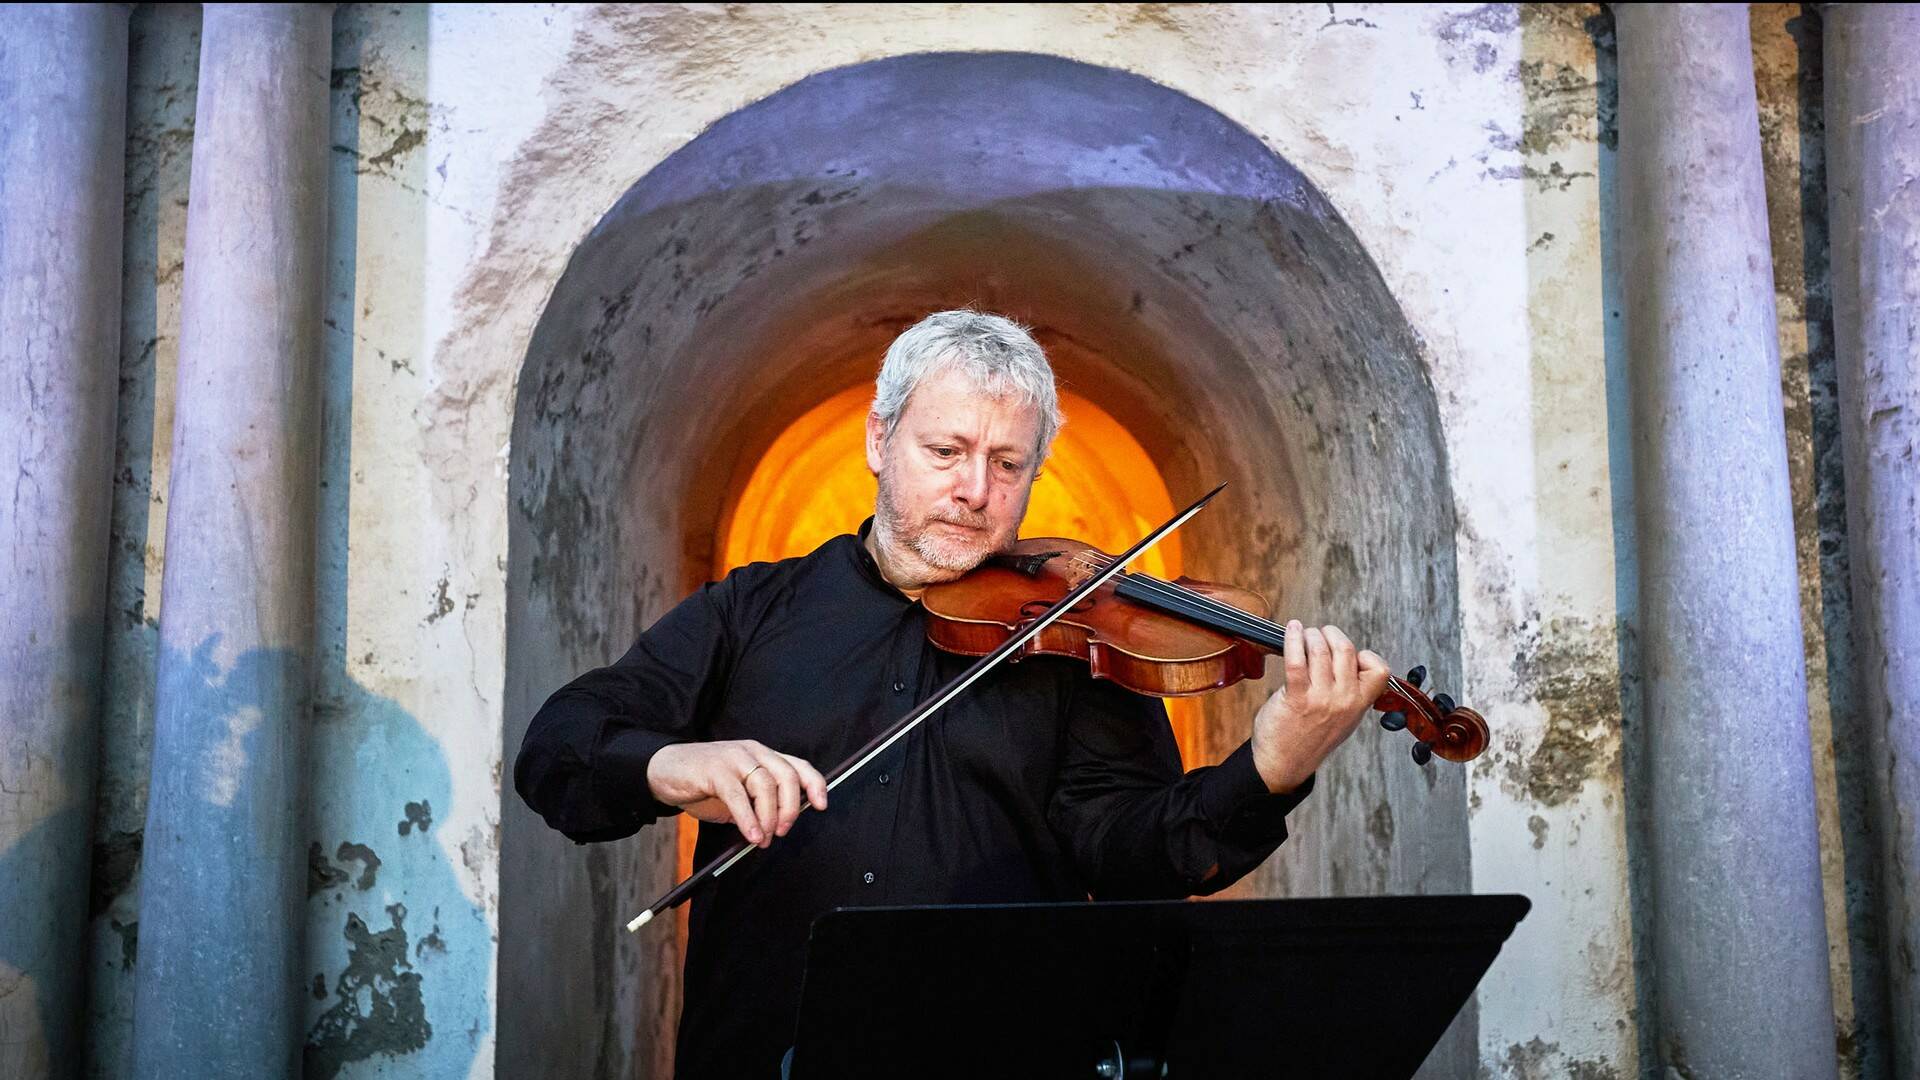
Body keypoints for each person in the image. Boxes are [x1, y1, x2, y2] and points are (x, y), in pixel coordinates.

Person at [514, 309, 1390, 1078]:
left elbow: (1137, 854)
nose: (976, 492)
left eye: (1008, 464)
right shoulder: (749, 610)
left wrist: (1272, 766)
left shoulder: (1074, 631)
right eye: (946, 452)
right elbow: (560, 748)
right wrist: (669, 764)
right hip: (767, 1051)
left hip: (1002, 1054)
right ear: (877, 439)